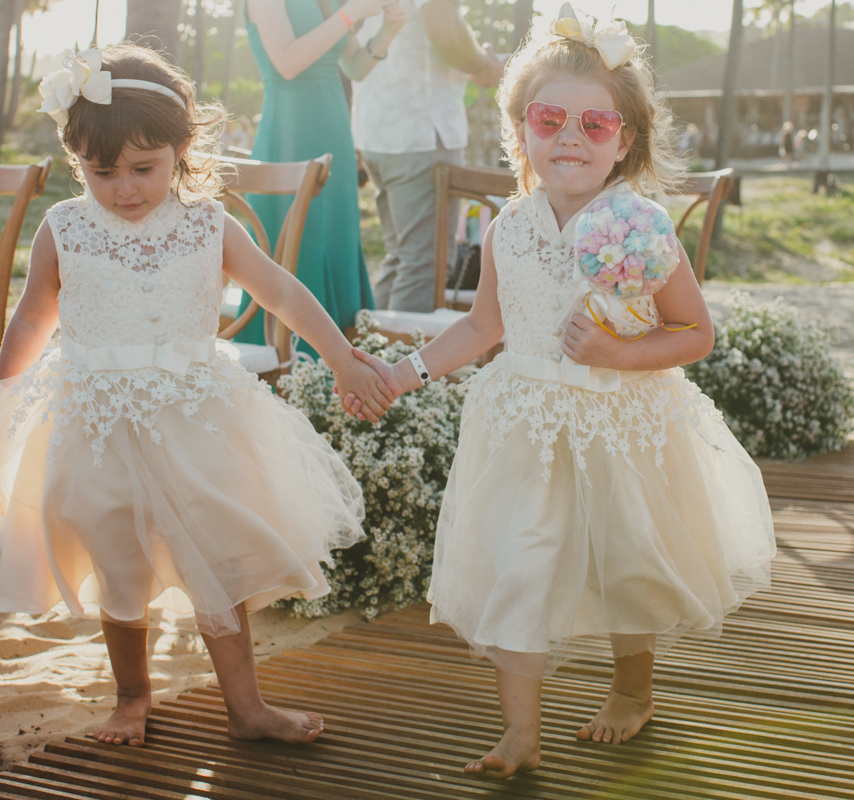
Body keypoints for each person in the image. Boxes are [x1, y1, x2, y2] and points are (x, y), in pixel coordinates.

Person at [345, 5, 775, 778]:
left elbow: (696, 335)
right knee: (522, 562)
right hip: (527, 423)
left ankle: (632, 688)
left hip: (621, 419)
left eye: (595, 124)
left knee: (629, 561)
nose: (570, 137)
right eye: (549, 118)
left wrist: (616, 348)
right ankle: (520, 732)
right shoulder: (507, 226)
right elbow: (482, 328)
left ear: (627, 140)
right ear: (520, 132)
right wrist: (404, 374)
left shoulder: (642, 227)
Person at [0, 44, 394, 749]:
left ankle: (247, 706)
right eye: (105, 173)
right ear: (79, 161)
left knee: (215, 556)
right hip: (95, 421)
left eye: (144, 169)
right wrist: (1, 393)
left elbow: (279, 291)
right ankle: (132, 696)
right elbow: (32, 317)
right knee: (116, 557)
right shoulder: (65, 228)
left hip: (194, 419)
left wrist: (343, 357)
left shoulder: (204, 224)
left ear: (180, 151)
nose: (125, 189)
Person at [236, 0, 408, 352]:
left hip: (334, 134)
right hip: (290, 133)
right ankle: (293, 363)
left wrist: (389, 30)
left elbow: (355, 67)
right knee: (298, 246)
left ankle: (349, 363)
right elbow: (287, 62)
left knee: (335, 242)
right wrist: (352, 14)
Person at [351, 0, 503, 312]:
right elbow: (442, 31)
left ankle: (370, 350)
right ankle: (400, 358)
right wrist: (485, 66)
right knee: (424, 266)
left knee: (401, 259)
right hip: (419, 133)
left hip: (380, 132)